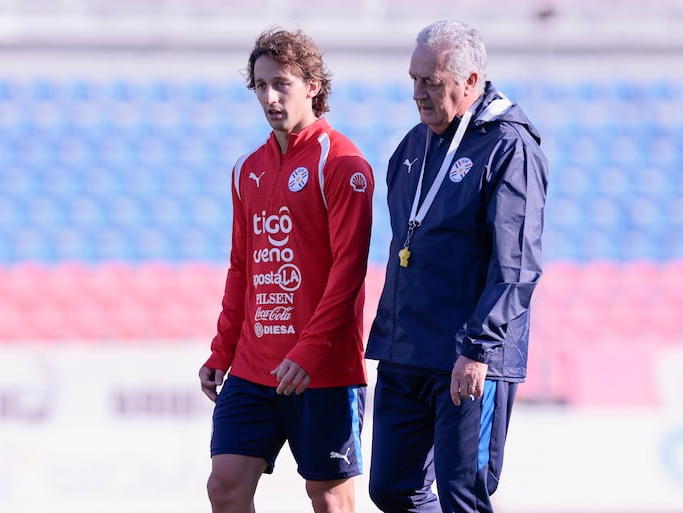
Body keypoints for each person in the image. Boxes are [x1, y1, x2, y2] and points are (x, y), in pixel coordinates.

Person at [365, 20, 548, 513]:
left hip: (469, 356)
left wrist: (478, 347)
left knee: (463, 496)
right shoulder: (412, 147)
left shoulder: (509, 148)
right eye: (414, 79)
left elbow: (517, 265)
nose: (418, 94)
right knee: (392, 489)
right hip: (407, 351)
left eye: (432, 81)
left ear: (470, 82)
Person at [198, 26, 375, 513]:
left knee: (330, 500)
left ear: (313, 86)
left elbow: (349, 269)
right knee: (225, 486)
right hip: (255, 367)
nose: (270, 97)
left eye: (282, 84)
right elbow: (242, 268)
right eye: (260, 86)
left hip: (324, 370)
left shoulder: (342, 163)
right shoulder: (246, 169)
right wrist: (222, 349)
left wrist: (311, 349)